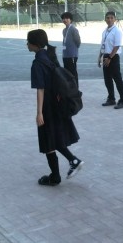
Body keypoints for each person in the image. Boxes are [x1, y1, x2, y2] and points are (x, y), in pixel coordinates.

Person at [27, 29, 83, 186]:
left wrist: (39, 113)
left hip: (48, 107)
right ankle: (62, 170)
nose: (27, 44)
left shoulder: (38, 63)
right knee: (53, 137)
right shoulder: (50, 56)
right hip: (58, 104)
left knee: (48, 139)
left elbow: (40, 89)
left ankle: (66, 167)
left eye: (28, 42)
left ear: (35, 44)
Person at [99, 11, 123, 109]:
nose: (109, 19)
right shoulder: (104, 31)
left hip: (113, 57)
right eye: (107, 18)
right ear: (105, 19)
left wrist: (110, 58)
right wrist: (100, 57)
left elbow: (117, 46)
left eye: (111, 18)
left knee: (117, 79)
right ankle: (111, 98)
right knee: (107, 79)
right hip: (106, 56)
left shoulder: (117, 31)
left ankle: (122, 101)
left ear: (115, 19)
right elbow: (103, 45)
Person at [60, 12, 81, 86]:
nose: (65, 20)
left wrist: (73, 50)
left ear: (71, 20)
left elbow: (78, 41)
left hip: (72, 55)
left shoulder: (73, 29)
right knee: (67, 73)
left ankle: (76, 89)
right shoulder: (64, 30)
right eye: (63, 18)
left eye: (67, 18)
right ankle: (69, 88)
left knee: (73, 73)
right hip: (65, 55)